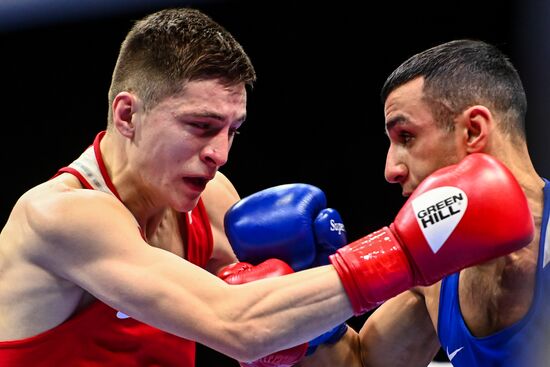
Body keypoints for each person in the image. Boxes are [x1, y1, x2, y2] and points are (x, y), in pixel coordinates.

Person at [0, 7, 534, 365]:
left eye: (233, 130)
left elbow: (307, 337)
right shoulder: (59, 217)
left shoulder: (208, 201)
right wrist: (404, 250)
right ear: (126, 114)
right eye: (201, 126)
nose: (220, 154)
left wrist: (311, 296)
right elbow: (237, 324)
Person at [292, 39, 550, 366]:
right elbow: (361, 361)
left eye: (407, 137)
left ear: (473, 131)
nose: (390, 170)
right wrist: (311, 322)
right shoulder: (437, 269)